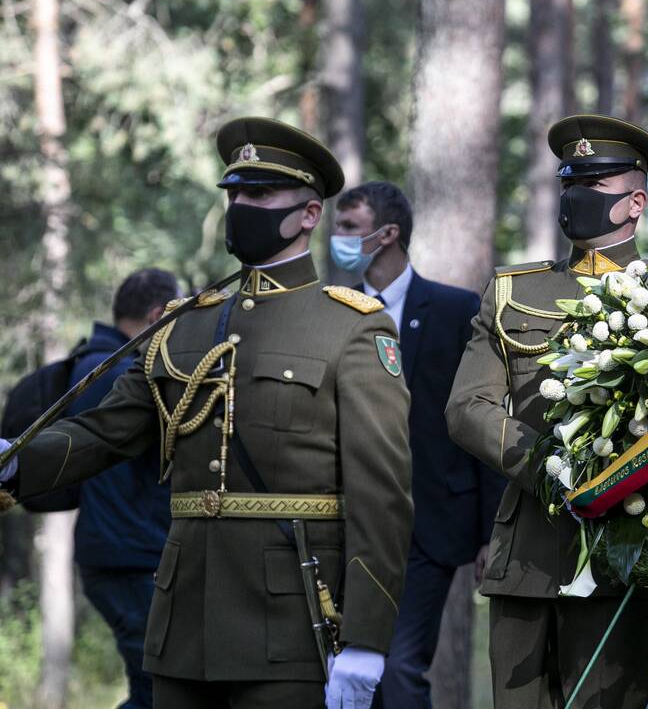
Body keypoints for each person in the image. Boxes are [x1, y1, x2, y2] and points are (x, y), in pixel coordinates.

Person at [0, 117, 413, 709]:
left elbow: (383, 496)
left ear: (309, 215)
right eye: (236, 194)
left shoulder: (351, 326)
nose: (242, 206)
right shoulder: (185, 323)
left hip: (291, 622)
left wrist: (367, 640)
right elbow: (104, 431)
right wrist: (14, 463)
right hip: (183, 623)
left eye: (262, 194)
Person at [446, 114, 648, 708]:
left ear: (635, 202)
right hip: (528, 555)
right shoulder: (515, 291)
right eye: (569, 182)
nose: (576, 197)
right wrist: (552, 466)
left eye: (594, 185)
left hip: (625, 553)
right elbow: (468, 407)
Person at [329, 180, 504, 709]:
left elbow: (483, 421)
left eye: (348, 228)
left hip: (428, 525)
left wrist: (491, 533)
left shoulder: (454, 311)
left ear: (388, 234)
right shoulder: (335, 313)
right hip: (346, 525)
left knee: (401, 669)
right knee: (346, 672)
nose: (336, 239)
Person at [70, 268, 180, 709]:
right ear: (158, 314)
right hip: (129, 556)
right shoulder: (118, 374)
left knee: (152, 686)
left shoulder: (93, 363)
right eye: (178, 312)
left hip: (120, 552)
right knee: (160, 688)